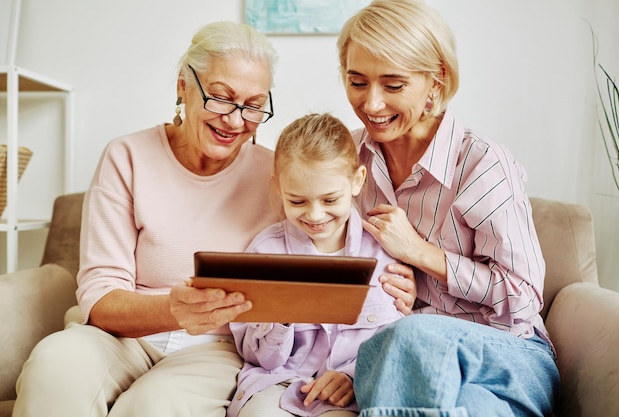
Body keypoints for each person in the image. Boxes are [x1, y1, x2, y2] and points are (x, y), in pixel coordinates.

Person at [13, 21, 283, 417]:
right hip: (121, 338)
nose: (235, 120)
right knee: (55, 366)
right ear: (183, 86)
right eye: (222, 98)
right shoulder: (127, 156)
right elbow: (100, 297)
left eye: (253, 105)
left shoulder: (277, 174)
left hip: (217, 348)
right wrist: (172, 310)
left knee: (154, 406)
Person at [336, 1, 560, 416]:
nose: (372, 103)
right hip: (396, 360)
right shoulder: (347, 160)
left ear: (436, 81)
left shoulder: (481, 162)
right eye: (357, 82)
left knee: (413, 335)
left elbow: (524, 302)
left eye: (394, 84)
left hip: (506, 354)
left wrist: (420, 253)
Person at [227, 113, 405, 417]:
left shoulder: (384, 250)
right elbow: (259, 357)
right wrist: (280, 318)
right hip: (278, 384)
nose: (315, 215)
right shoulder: (264, 253)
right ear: (279, 188)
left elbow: (395, 339)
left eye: (330, 200)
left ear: (357, 181)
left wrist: (353, 374)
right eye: (297, 202)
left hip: (350, 391)